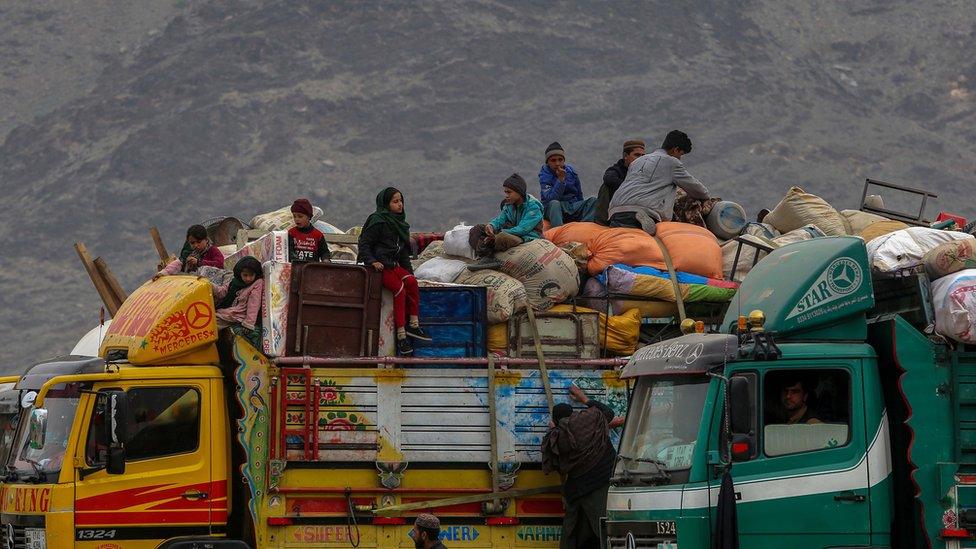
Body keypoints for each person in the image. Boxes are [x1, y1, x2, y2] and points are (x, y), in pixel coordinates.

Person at [541, 385, 621, 549]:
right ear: (572, 414)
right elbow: (608, 413)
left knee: (573, 531)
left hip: (577, 489)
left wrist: (555, 430)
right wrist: (583, 398)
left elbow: (553, 463)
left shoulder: (555, 437)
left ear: (555, 421)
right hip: (601, 480)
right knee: (602, 528)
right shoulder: (588, 420)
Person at [358, 187, 431, 356]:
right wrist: (372, 261)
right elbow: (364, 244)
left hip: (392, 264)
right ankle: (401, 336)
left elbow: (403, 253)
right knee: (399, 289)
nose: (400, 205)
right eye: (395, 201)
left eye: (401, 201)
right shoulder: (377, 221)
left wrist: (410, 272)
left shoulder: (400, 224)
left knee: (411, 282)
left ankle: (413, 325)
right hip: (378, 266)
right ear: (386, 203)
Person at [607, 130, 710, 235]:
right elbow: (699, 191)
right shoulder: (672, 162)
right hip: (643, 209)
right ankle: (647, 220)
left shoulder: (637, 161)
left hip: (615, 210)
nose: (680, 158)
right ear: (675, 150)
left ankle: (629, 221)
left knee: (622, 234)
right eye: (681, 154)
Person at [467, 173, 544, 271]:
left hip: (526, 237)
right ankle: (486, 256)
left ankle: (489, 255)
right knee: (477, 229)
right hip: (511, 231)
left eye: (509, 192)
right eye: (505, 192)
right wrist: (491, 226)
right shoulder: (509, 205)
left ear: (519, 192)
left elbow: (522, 229)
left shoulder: (533, 207)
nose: (506, 196)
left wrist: (496, 235)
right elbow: (500, 220)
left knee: (502, 237)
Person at [539, 142, 596, 227]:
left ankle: (583, 227)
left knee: (593, 201)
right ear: (548, 162)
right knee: (555, 204)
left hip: (570, 206)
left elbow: (579, 195)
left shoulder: (571, 172)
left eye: (560, 160)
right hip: (554, 208)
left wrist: (579, 208)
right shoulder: (544, 176)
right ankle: (559, 231)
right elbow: (551, 199)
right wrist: (560, 180)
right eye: (553, 160)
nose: (557, 163)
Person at [595, 139, 645, 225]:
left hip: (638, 207)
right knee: (606, 187)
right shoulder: (616, 170)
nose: (641, 159)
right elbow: (609, 179)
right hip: (617, 209)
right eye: (637, 155)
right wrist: (631, 188)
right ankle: (604, 222)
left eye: (643, 156)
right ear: (626, 156)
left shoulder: (644, 172)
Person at [213, 256, 265, 333]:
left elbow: (254, 304)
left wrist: (248, 324)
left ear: (256, 274)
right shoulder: (235, 282)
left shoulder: (257, 283)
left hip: (237, 315)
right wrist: (209, 284)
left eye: (251, 275)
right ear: (239, 273)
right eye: (245, 275)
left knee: (210, 325)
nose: (248, 278)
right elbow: (222, 292)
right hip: (227, 312)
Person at [157, 224, 224, 275]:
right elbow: (179, 263)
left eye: (199, 242)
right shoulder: (190, 253)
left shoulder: (212, 250)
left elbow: (220, 264)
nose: (195, 245)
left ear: (206, 240)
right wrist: (163, 273)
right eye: (192, 243)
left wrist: (198, 262)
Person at [288, 198, 331, 263]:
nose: (296, 219)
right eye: (294, 216)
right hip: (295, 268)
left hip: (312, 269)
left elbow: (324, 251)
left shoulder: (318, 235)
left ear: (308, 217)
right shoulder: (291, 233)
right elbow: (289, 251)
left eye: (300, 216)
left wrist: (326, 259)